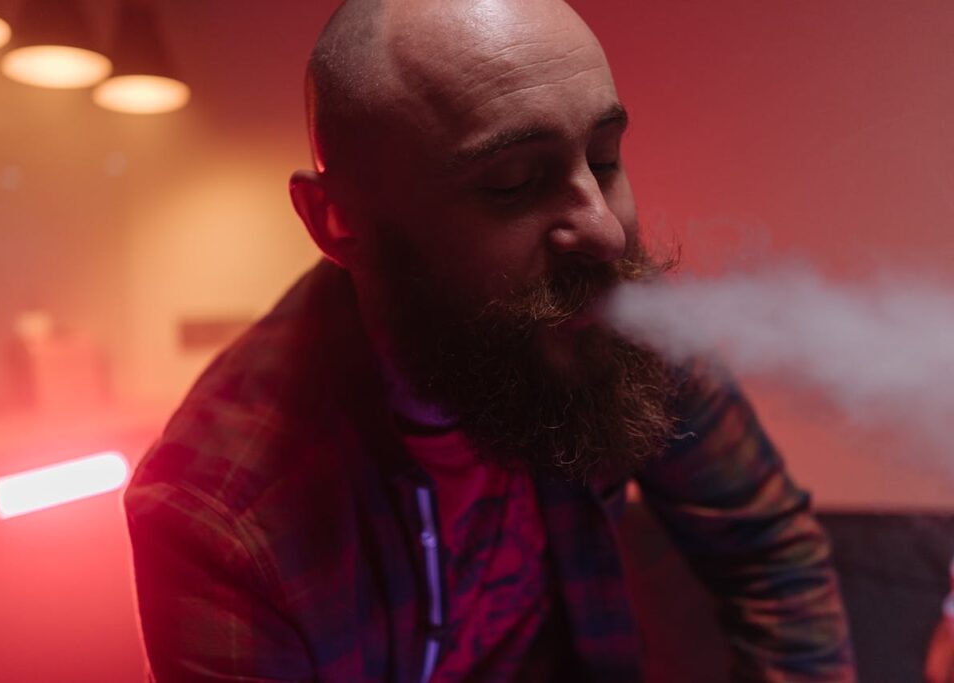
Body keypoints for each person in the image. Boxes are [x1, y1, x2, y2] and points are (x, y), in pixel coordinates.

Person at [124, 0, 855, 680]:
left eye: (604, 159)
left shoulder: (605, 313)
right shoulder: (218, 517)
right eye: (510, 183)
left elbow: (770, 552)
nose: (603, 230)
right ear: (338, 222)